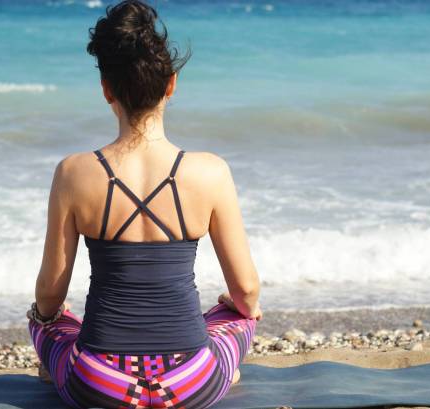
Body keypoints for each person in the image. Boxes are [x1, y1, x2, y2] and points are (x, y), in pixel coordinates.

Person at [28, 1, 262, 407]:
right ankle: (225, 369)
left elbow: (50, 295)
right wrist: (238, 307)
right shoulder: (210, 172)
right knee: (238, 317)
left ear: (106, 90)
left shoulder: (73, 172)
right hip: (190, 382)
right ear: (171, 84)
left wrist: (48, 316)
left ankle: (58, 367)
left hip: (100, 384)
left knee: (45, 323)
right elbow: (246, 290)